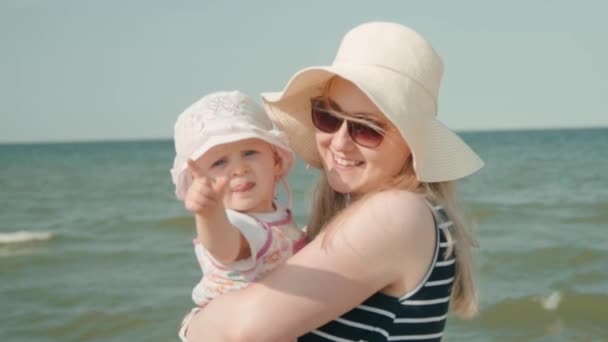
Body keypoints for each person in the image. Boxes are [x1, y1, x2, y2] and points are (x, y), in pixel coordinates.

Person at [183, 21, 484, 342]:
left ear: (413, 145)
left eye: (366, 128)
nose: (339, 143)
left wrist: (195, 323)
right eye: (328, 117)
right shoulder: (403, 214)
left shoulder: (396, 212)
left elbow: (241, 331)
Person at [170, 90, 307, 341]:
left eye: (249, 153)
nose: (238, 168)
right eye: (219, 162)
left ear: (276, 161)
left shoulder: (275, 216)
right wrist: (208, 214)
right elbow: (226, 247)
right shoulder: (237, 223)